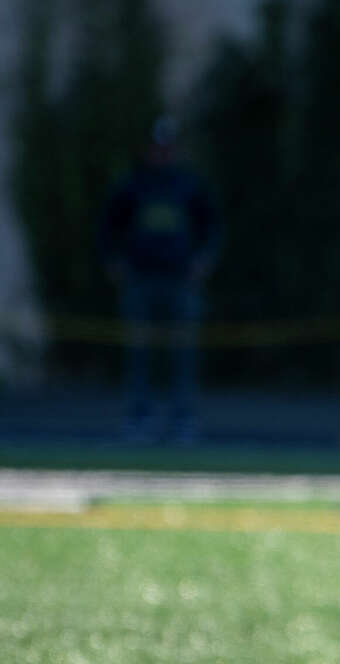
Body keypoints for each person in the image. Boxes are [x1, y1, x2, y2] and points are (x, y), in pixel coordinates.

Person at [100, 116, 221, 443]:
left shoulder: (189, 184)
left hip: (181, 282)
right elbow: (109, 226)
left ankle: (183, 418)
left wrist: (204, 261)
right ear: (148, 149)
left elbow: (211, 226)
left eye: (168, 147)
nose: (162, 153)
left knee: (183, 354)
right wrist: (114, 262)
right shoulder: (132, 184)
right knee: (139, 353)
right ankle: (139, 418)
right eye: (157, 147)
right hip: (140, 280)